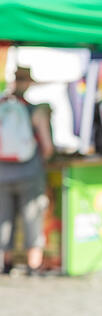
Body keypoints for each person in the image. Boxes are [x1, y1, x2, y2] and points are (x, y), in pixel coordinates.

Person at [0, 66, 54, 275]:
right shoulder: (35, 111)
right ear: (29, 83)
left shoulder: (3, 107)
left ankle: (6, 263)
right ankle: (33, 265)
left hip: (2, 174)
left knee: (3, 219)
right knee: (32, 218)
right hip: (29, 174)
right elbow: (48, 148)